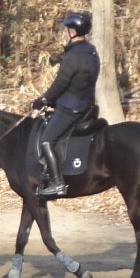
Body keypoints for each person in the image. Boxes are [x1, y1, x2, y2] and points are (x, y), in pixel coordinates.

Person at [31, 10, 100, 197]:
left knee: (46, 141)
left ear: (73, 31)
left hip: (71, 108)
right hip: (86, 104)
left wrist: (44, 99)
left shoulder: (74, 55)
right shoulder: (91, 51)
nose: (65, 32)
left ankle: (57, 183)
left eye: (66, 29)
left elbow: (61, 83)